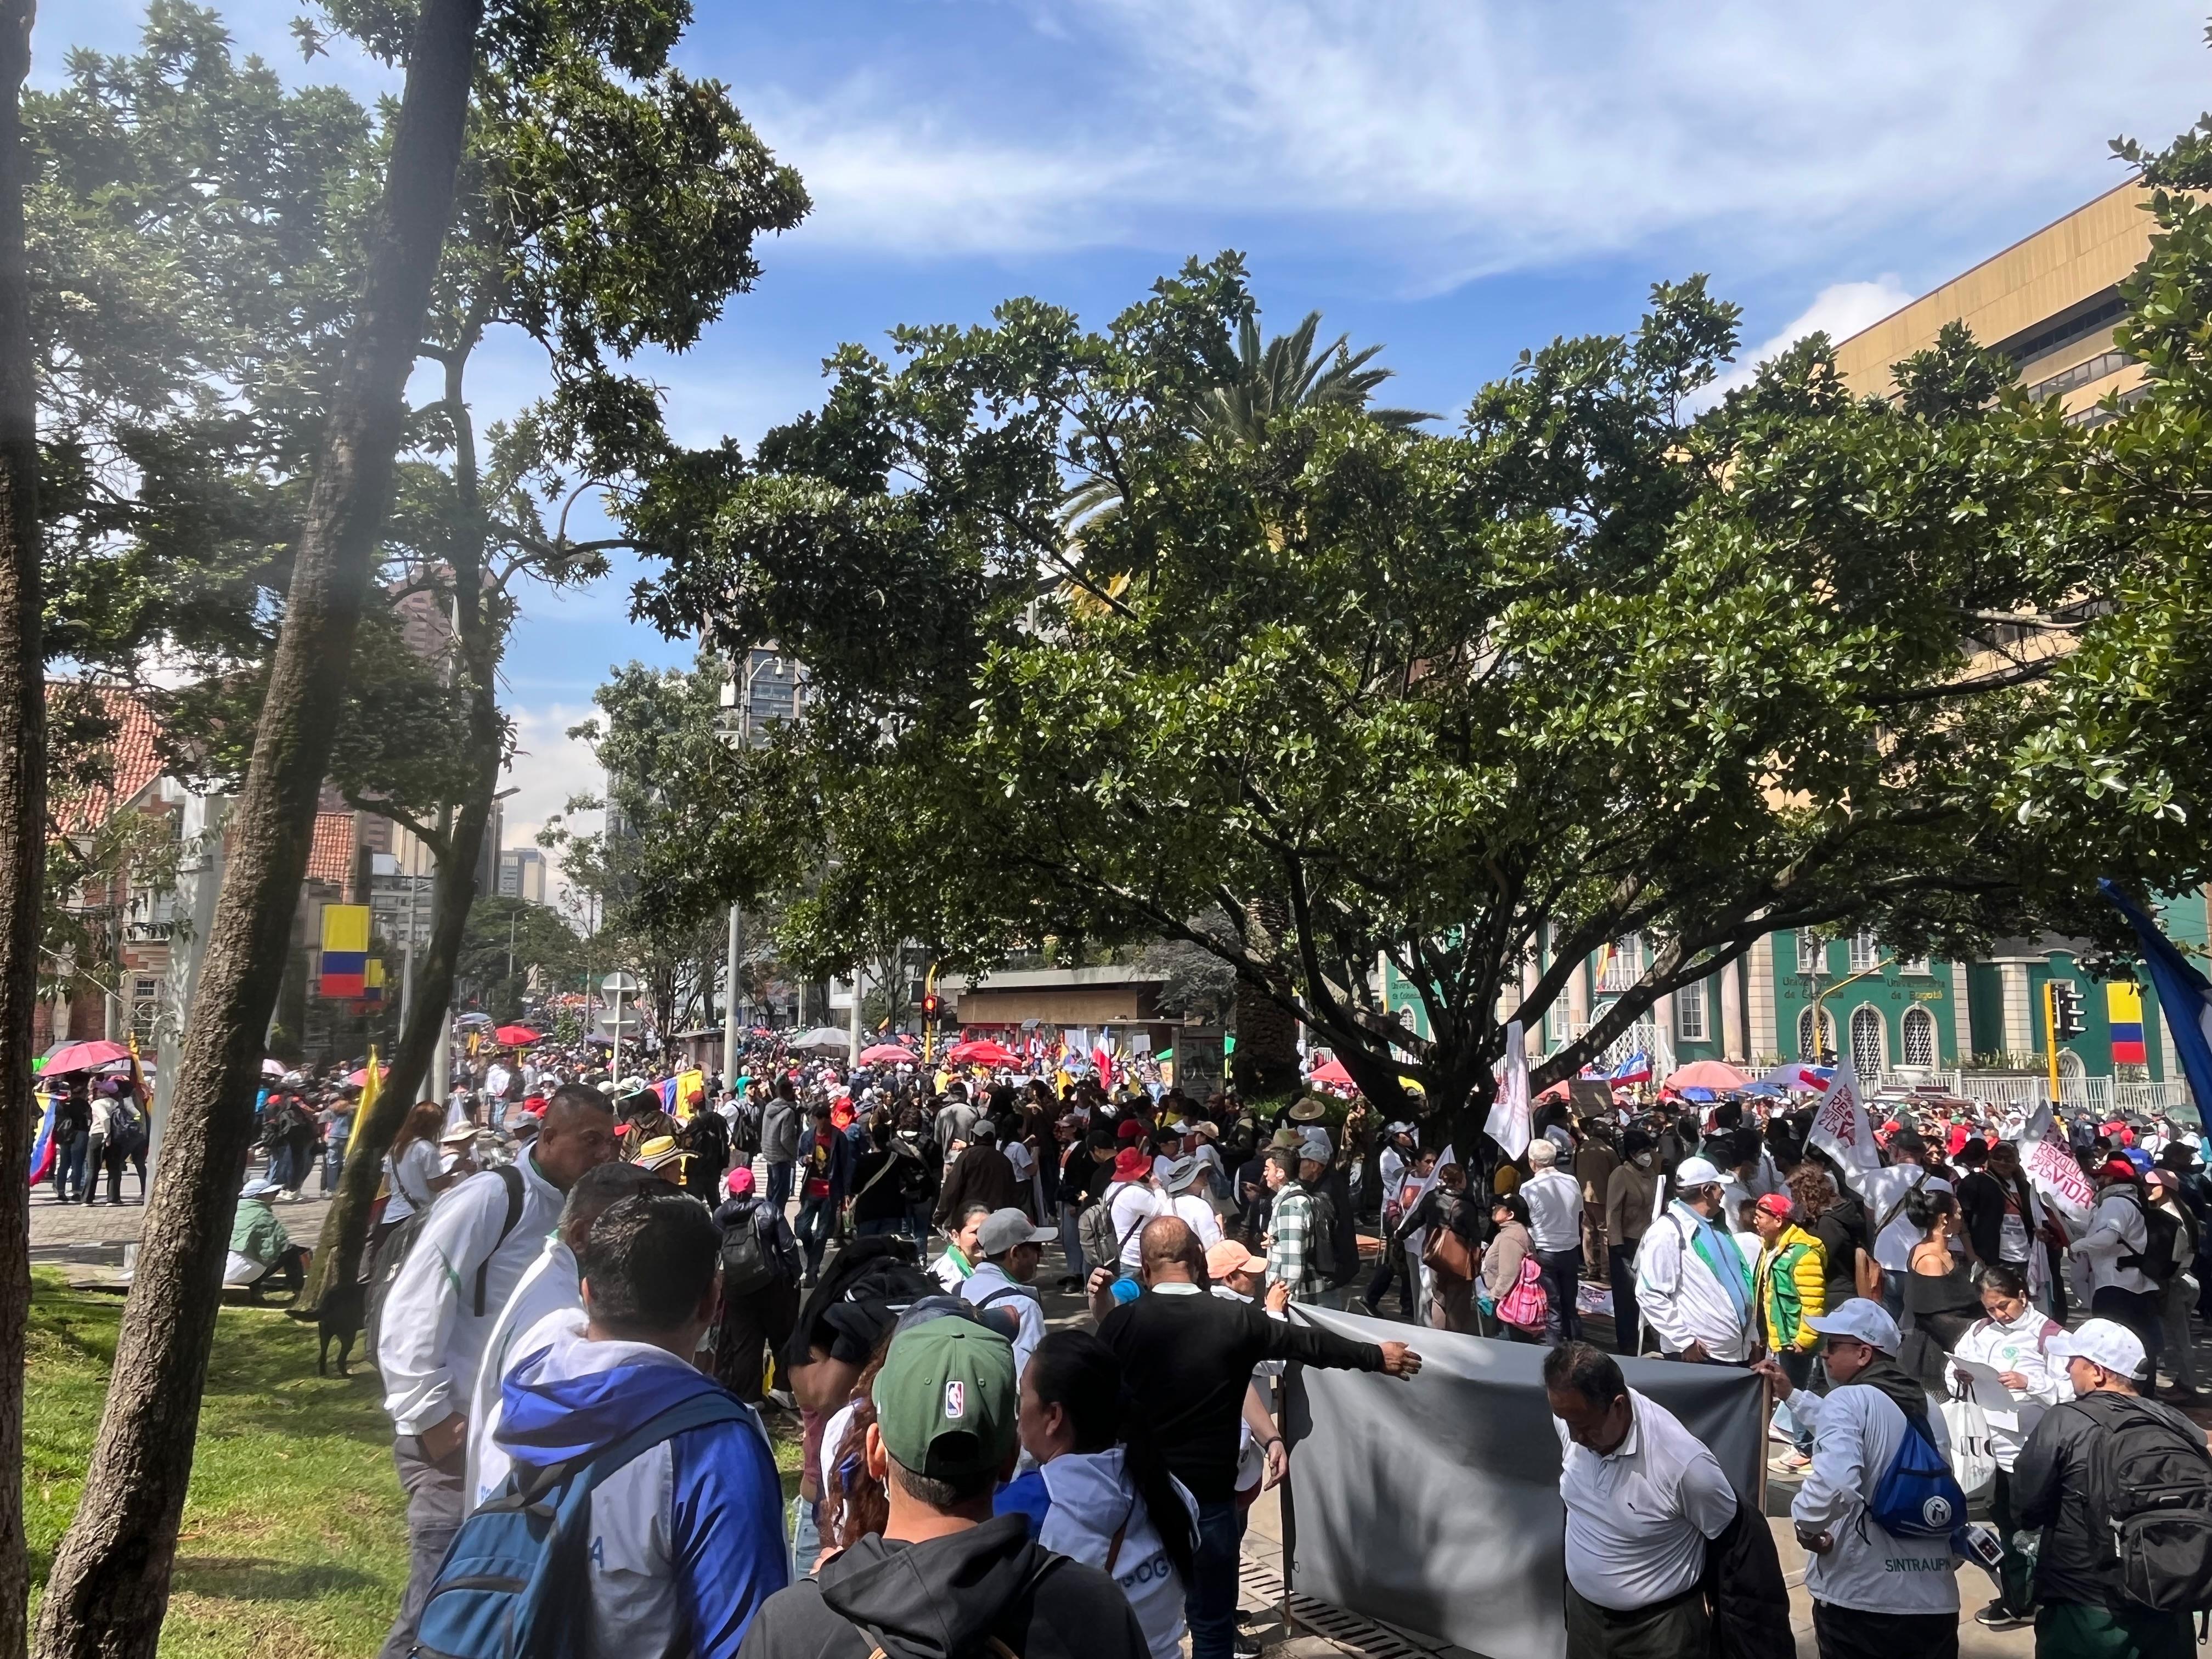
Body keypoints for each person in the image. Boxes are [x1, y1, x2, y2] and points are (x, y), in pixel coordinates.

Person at [1093, 1217, 1421, 1659]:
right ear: (1198, 1261)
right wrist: (1375, 1356)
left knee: (1139, 1622)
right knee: (1213, 1627)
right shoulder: (1236, 1319)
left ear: (1147, 1270)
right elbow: (1308, 1344)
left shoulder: (1122, 1324)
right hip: (1212, 1503)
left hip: (1141, 1501)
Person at [374, 1083, 619, 1659]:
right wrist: (434, 1419)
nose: (604, 1154)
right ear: (548, 1136)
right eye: (590, 1141)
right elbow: (414, 1306)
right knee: (436, 1604)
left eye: (610, 1143)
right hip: (453, 1442)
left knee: (487, 1603)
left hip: (515, 1446)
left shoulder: (577, 1211)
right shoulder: (492, 1197)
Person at [737, 1319, 1152, 1659]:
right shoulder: (1093, 1610)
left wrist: (822, 1595)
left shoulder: (791, 1627)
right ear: (1010, 1457)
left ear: (876, 1454)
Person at [494, 1190, 788, 1656]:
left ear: (587, 1293)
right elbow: (746, 1641)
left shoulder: (523, 1396)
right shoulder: (712, 1445)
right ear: (712, 1302)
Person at [1755, 1300, 1960, 1659]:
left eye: (1834, 1345)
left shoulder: (1847, 1400)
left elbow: (1835, 1484)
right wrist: (1792, 1395)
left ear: (1864, 1354)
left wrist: (1806, 1524)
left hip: (1862, 1600)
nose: (1825, 1354)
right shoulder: (1926, 1404)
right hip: (1934, 1601)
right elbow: (1870, 1433)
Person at [467, 1158, 667, 1506]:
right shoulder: (565, 1330)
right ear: (580, 1235)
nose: (653, 1250)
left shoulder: (552, 1281)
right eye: (635, 1231)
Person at [998, 1329, 1200, 1659]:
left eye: (1022, 1398)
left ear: (1053, 1417)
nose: (1018, 1414)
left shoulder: (1026, 1508)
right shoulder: (1171, 1490)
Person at [2012, 1318, 2199, 1659]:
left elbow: (2026, 1504)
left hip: (2086, 1609)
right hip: (2171, 1604)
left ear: (2098, 1372)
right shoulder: (2177, 1422)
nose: (2067, 1368)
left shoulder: (2064, 1420)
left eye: (2074, 1361)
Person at [1546, 1341, 1740, 1658]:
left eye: (1585, 1427)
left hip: (1659, 1635)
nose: (1576, 1437)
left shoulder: (1686, 1467)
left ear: (1618, 1406)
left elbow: (1732, 1543)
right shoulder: (1573, 1418)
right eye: (1566, 1422)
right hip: (1585, 1621)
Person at [1948, 1261, 2065, 1634]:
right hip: (1988, 1447)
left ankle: (2028, 1600)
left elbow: (2072, 1391)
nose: (1999, 1314)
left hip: (2031, 1449)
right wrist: (1962, 1377)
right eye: (1991, 1308)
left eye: (2004, 1306)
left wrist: (2030, 1383)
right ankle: (2021, 1597)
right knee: (2006, 1523)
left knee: (2030, 1528)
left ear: (2023, 1296)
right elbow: (1953, 1370)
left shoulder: (2049, 1335)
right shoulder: (1980, 1331)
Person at [1634, 1155, 1754, 1364]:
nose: (1722, 1192)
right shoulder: (1667, 1232)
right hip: (1700, 1356)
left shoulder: (1716, 1225)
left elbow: (1737, 1281)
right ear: (1706, 1191)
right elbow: (1650, 1293)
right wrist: (1685, 1342)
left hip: (1735, 1353)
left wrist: (1750, 1339)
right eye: (1718, 1187)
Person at [713, 1165, 805, 1404]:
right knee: (782, 1338)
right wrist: (795, 1276)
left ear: (731, 1191)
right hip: (771, 1284)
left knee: (745, 1344)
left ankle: (750, 1398)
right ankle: (782, 1390)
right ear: (753, 1188)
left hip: (736, 1288)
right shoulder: (767, 1210)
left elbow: (715, 1250)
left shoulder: (720, 1216)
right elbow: (788, 1246)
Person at [2069, 1156, 2163, 1359]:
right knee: (2139, 1347)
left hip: (2116, 1286)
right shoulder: (2131, 1202)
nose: (2098, 1181)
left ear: (2110, 1179)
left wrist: (2077, 1246)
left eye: (2101, 1176)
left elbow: (2108, 1238)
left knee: (2113, 1349)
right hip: (2134, 1285)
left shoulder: (2115, 1203)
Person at [960, 1207, 1056, 1378]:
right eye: (1036, 1247)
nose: (1040, 1254)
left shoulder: (961, 1288)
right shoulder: (1023, 1307)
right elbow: (1026, 1380)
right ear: (1016, 1253)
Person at [2145, 1168, 2200, 1401]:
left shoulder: (2169, 1216)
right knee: (2179, 1338)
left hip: (2175, 1281)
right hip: (2186, 1280)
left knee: (2178, 1340)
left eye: (2152, 1185)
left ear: (2166, 1188)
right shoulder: (2182, 1211)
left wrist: (2164, 1281)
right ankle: (2183, 1384)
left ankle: (2187, 1387)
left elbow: (2174, 1256)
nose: (2147, 1188)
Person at [1522, 1139, 1585, 1341]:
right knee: (1569, 1304)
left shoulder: (1528, 1188)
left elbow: (1525, 1222)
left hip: (1545, 1251)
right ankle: (1576, 1345)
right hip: (1570, 1250)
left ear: (1533, 1163)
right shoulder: (1572, 1182)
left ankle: (1555, 1348)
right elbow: (1580, 1213)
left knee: (1552, 1306)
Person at [1605, 1128, 1661, 1353]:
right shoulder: (1621, 1174)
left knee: (1646, 1290)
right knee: (1626, 1295)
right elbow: (1613, 1211)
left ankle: (1644, 1332)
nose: (1647, 1155)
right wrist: (1616, 1243)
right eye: (1642, 1151)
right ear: (1631, 1153)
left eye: (1648, 1150)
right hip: (1626, 1242)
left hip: (1647, 1240)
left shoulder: (1651, 1173)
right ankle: (1627, 1341)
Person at [374, 1099, 451, 1262]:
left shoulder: (396, 1148)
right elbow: (435, 1185)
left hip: (391, 1218)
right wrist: (455, 1177)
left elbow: (387, 1185)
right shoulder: (427, 1150)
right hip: (414, 1218)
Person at [223, 1177, 303, 1298]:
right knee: (291, 1251)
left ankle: (256, 1291)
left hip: (220, 1272)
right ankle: (299, 1292)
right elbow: (280, 1247)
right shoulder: (263, 1216)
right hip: (242, 1273)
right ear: (261, 1196)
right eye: (274, 1192)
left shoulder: (233, 1209)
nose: (275, 1196)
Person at [1261, 1149, 1323, 1303]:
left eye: (1268, 1169)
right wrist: (1275, 1240)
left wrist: (1282, 1294)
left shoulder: (1290, 1205)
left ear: (1280, 1173)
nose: (1265, 1174)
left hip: (1291, 1294)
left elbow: (1292, 1262)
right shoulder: (1293, 1198)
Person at [1483, 1192, 1543, 1342]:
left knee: (1507, 1346)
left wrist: (1495, 1296)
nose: (1494, 1209)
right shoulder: (1512, 1232)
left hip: (1510, 1304)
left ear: (1510, 1215)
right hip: (1511, 1301)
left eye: (1499, 1207)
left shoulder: (1511, 1236)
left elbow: (1509, 1273)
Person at [1575, 1121, 1620, 1282]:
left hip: (1584, 1197)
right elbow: (1618, 1174)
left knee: (1588, 1232)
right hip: (1603, 1198)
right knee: (1605, 1234)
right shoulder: (1608, 1151)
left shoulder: (1581, 1149)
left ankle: (1592, 1269)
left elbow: (1574, 1170)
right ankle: (1606, 1272)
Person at [1161, 1155, 1224, 1249]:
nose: (1205, 1176)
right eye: (1201, 1174)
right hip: (1203, 1257)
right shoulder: (1199, 1205)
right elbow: (1213, 1245)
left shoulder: (1169, 1205)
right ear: (1190, 1179)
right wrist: (1221, 1229)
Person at [760, 1077, 801, 1212]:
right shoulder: (788, 1112)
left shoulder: (769, 1107)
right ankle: (776, 1221)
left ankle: (768, 1218)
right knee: (780, 1196)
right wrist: (795, 1153)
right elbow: (785, 1139)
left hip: (769, 1155)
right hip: (782, 1158)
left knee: (771, 1192)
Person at [932, 1201, 992, 1291]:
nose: (984, 1239)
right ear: (956, 1236)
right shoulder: (947, 1280)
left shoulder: (995, 1266)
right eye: (976, 1232)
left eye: (989, 1231)